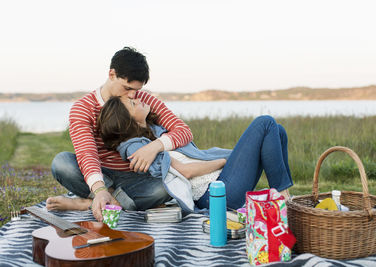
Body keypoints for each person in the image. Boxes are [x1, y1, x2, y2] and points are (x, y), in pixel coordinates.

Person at [46, 47, 194, 222]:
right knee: (62, 163)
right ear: (111, 74)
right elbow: (87, 153)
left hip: (137, 178)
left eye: (137, 89)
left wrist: (154, 147)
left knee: (167, 187)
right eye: (127, 88)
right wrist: (100, 189)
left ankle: (87, 203)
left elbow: (184, 132)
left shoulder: (144, 100)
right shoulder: (83, 108)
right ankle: (108, 198)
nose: (133, 94)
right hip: (101, 173)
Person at [96, 96, 293, 212]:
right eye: (132, 103)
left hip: (222, 181)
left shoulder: (154, 133)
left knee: (278, 130)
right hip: (214, 193)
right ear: (128, 121)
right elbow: (186, 171)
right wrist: (225, 161)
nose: (138, 99)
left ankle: (285, 195)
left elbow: (183, 132)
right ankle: (282, 198)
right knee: (265, 123)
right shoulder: (136, 149)